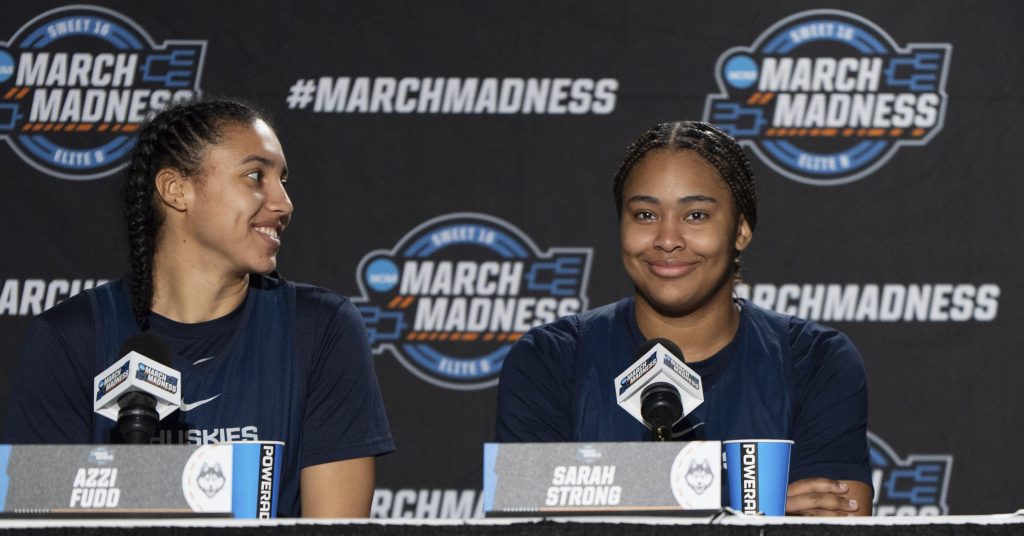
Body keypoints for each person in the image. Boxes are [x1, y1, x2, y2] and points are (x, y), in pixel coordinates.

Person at [2, 99, 394, 517]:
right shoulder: (71, 335)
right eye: (255, 176)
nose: (283, 203)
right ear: (176, 189)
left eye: (283, 180)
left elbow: (332, 529)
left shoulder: (322, 330)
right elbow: (32, 515)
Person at [495, 121, 872, 516]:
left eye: (695, 215)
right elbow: (524, 517)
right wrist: (751, 501)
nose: (667, 239)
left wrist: (594, 494)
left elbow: (837, 522)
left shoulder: (815, 360)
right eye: (644, 214)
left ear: (741, 229)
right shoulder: (549, 359)